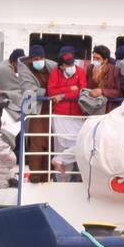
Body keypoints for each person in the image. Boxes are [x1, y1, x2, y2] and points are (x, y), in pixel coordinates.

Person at [47, 45, 86, 181]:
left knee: (81, 144)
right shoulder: (54, 73)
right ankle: (62, 180)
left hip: (76, 115)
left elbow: (81, 91)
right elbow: (51, 92)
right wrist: (69, 88)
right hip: (59, 115)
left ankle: (59, 160)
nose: (71, 66)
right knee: (61, 146)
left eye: (72, 63)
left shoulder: (80, 72)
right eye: (67, 64)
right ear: (61, 66)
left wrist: (63, 95)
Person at [21, 44, 54, 182]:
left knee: (50, 141)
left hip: (52, 109)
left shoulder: (52, 66)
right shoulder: (25, 70)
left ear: (44, 58)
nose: (38, 60)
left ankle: (48, 175)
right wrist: (48, 92)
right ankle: (35, 175)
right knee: (36, 140)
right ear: (31, 59)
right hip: (36, 110)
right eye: (35, 58)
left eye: (40, 58)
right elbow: (27, 88)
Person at [0, 48, 29, 122]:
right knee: (19, 96)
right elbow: (18, 87)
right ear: (14, 63)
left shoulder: (6, 63)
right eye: (21, 65)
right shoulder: (6, 69)